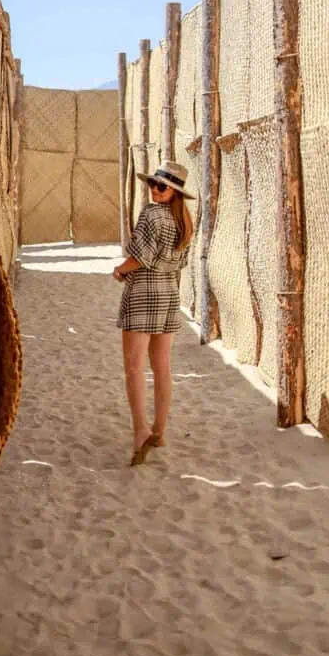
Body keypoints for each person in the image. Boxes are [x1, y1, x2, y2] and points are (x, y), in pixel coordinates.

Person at [113, 161, 195, 466]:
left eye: (161, 186)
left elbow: (140, 256)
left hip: (143, 293)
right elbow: (180, 263)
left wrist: (120, 271)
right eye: (152, 184)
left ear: (174, 191)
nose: (154, 190)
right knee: (162, 368)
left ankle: (140, 431)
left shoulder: (151, 214)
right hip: (169, 294)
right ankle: (159, 431)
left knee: (134, 368)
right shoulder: (186, 221)